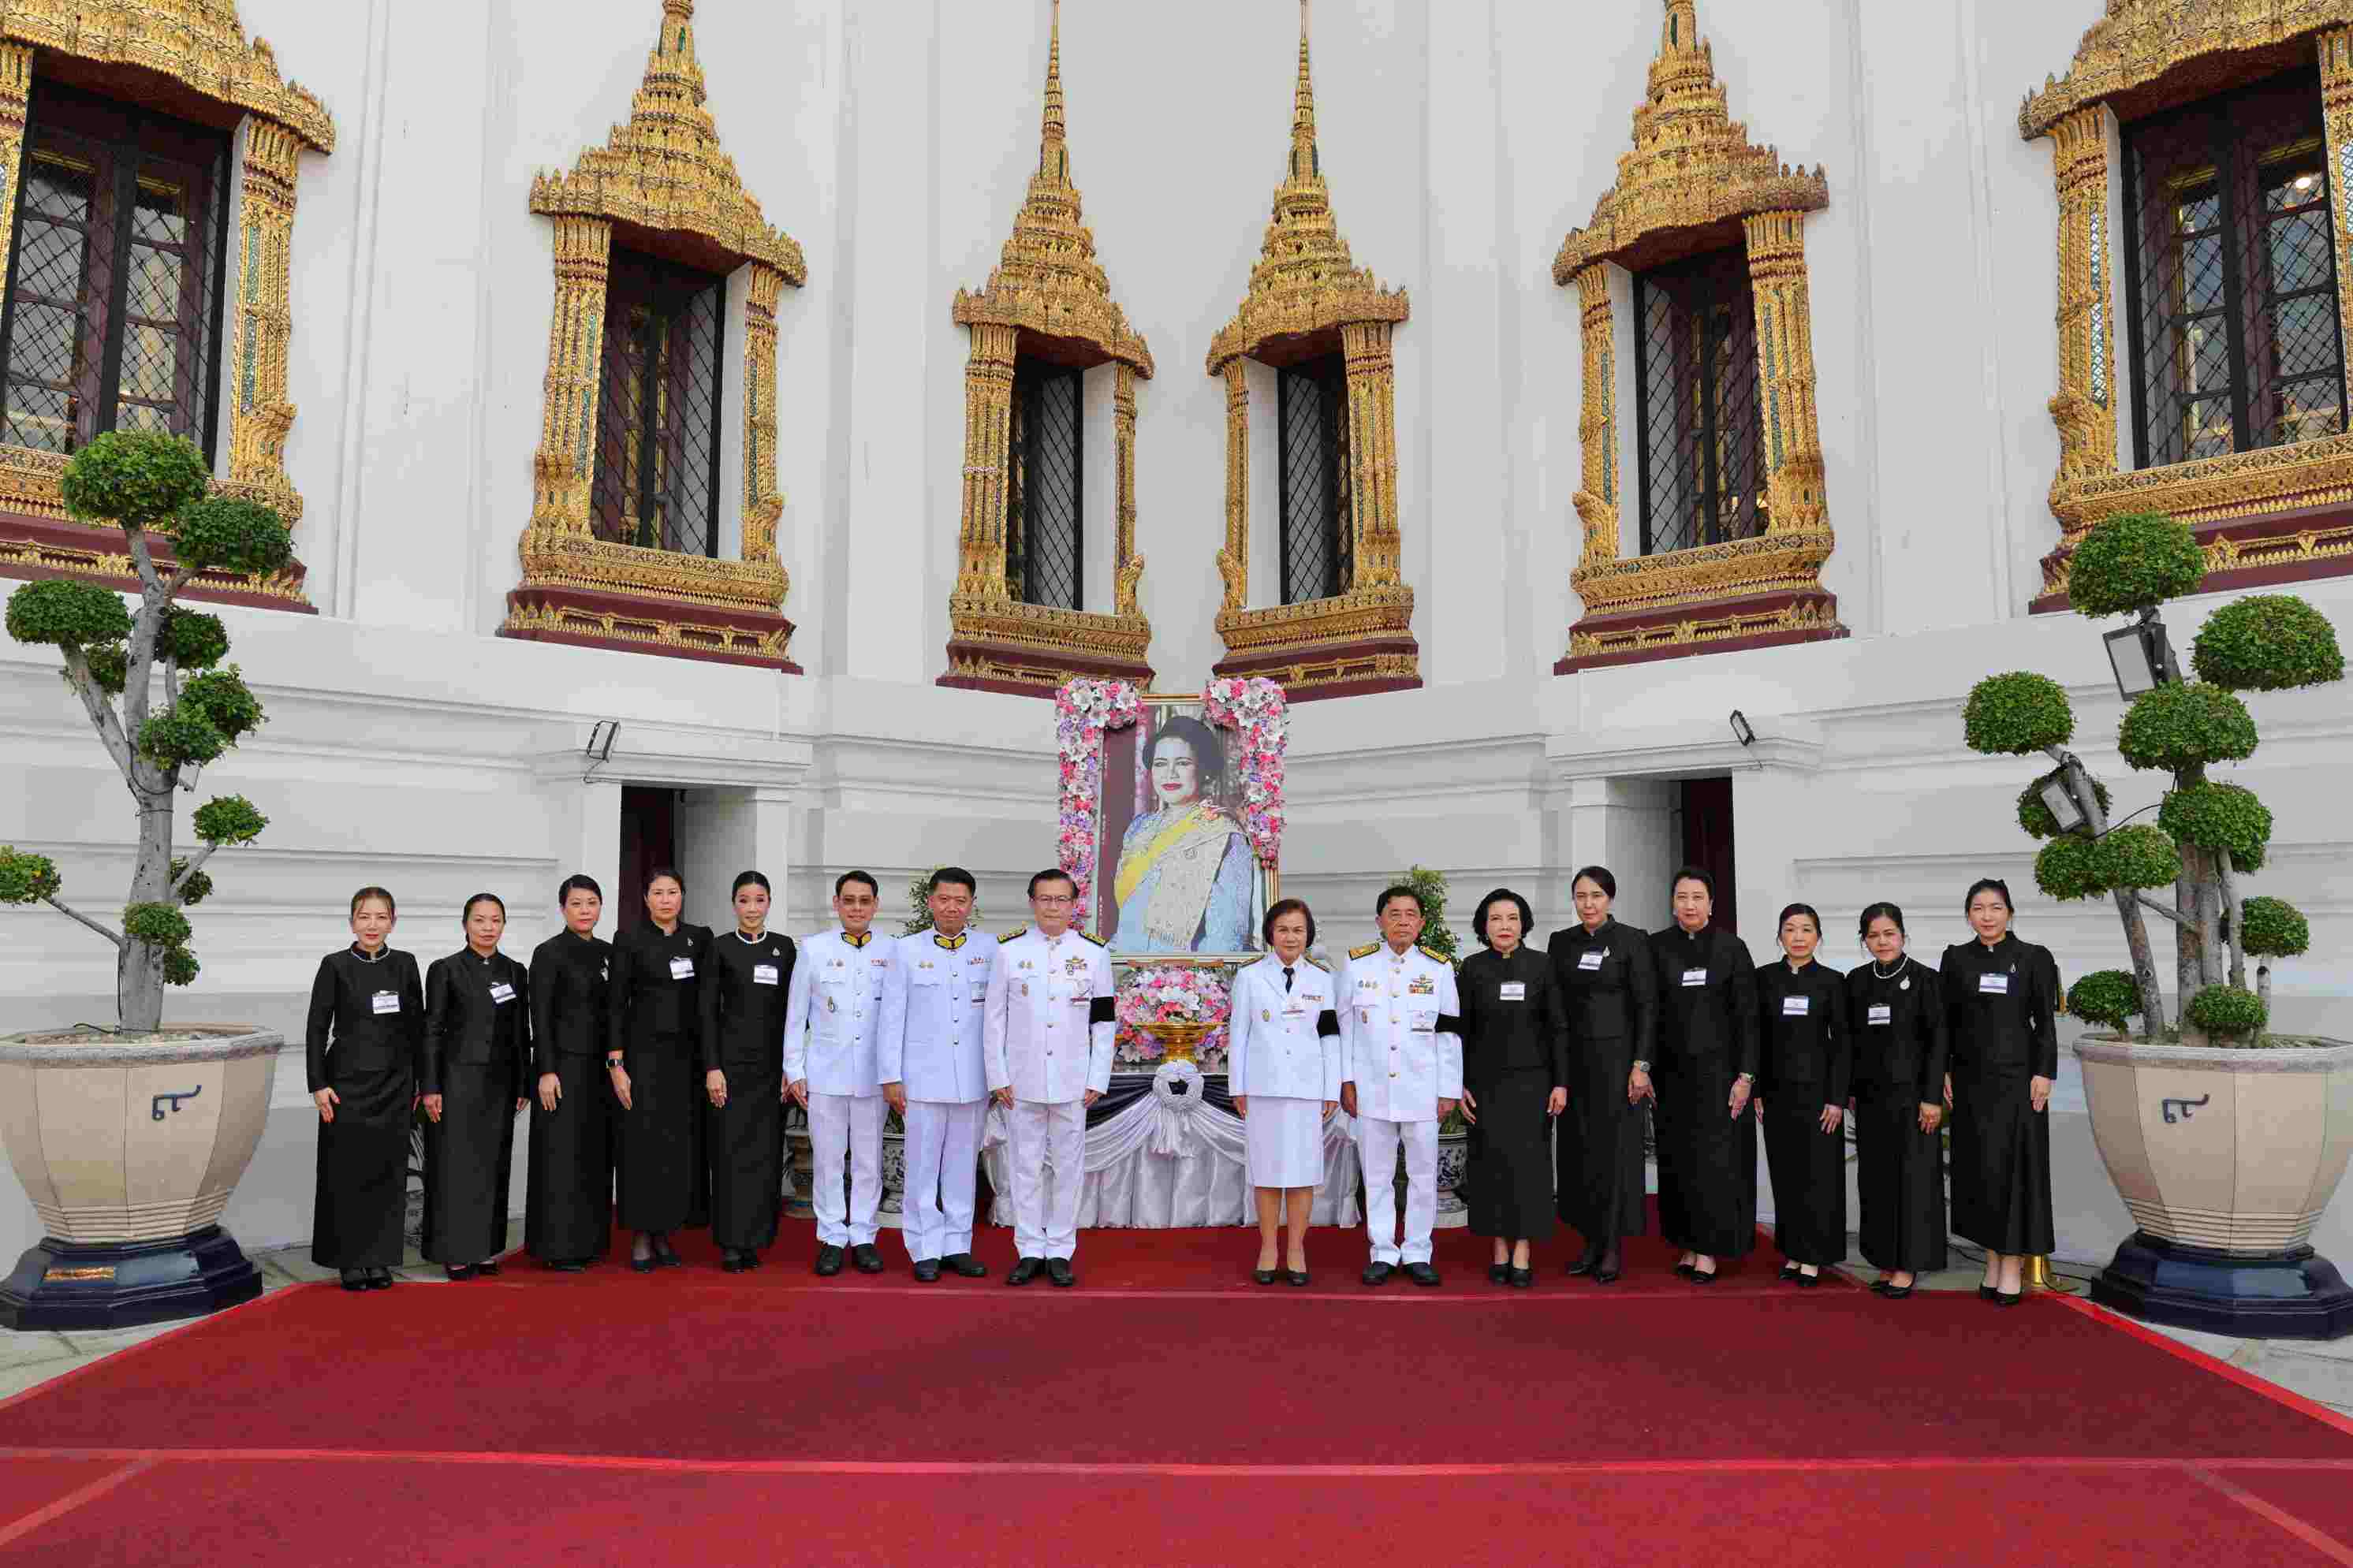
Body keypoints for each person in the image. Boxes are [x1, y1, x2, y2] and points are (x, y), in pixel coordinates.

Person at [985, 868, 1115, 1287]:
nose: (1053, 907)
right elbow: (994, 1020)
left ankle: (1060, 1248)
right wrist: (997, 1074)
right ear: (1032, 902)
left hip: (1073, 1080)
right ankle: (1028, 1249)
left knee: (1067, 1167)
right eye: (1045, 899)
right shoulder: (1009, 952)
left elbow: (1104, 1022)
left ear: (1073, 905)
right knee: (1023, 1166)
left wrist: (1098, 1075)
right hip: (1021, 1080)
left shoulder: (1094, 953)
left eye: (1061, 900)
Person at [1942, 878, 2061, 1307]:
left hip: (2019, 1083)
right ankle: (1991, 1261)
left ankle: (2012, 1268)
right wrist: (1944, 1071)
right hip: (1972, 1084)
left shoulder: (2033, 958)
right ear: (1968, 914)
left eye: (1995, 907)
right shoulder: (1955, 959)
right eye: (1978, 908)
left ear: (2010, 912)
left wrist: (2044, 1072)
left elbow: (2045, 1022)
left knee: (2014, 1174)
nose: (1987, 916)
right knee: (1982, 1175)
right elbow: (1946, 1024)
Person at [878, 867, 998, 1282]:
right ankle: (925, 1247)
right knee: (923, 1166)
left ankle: (958, 1244)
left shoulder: (990, 949)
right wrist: (890, 1076)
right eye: (944, 899)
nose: (952, 907)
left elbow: (998, 1018)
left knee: (964, 1167)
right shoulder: (906, 950)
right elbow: (891, 1019)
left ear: (971, 905)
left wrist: (999, 1074)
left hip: (973, 1079)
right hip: (923, 1080)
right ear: (930, 902)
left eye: (960, 900)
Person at [1340, 885, 1462, 1288]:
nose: (1403, 921)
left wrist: (1448, 1088)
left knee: (1424, 1174)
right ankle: (1382, 1251)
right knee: (1376, 1175)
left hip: (1422, 1089)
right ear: (1380, 921)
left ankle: (1417, 1250)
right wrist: (1347, 1081)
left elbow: (1448, 1034)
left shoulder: (1438, 968)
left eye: (1411, 914)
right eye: (1394, 914)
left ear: (1422, 923)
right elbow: (1345, 1030)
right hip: (1372, 1089)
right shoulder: (1357, 966)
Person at [306, 886, 424, 1292]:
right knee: (347, 1174)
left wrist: (419, 1083)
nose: (372, 925)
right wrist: (318, 1084)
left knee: (387, 1175)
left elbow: (417, 1029)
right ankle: (350, 1261)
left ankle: (379, 1259)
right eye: (364, 917)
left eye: (381, 917)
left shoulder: (406, 965)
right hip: (345, 1087)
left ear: (393, 921)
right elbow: (317, 1029)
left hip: (394, 1085)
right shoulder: (334, 966)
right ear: (352, 921)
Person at [1650, 867, 1758, 1284]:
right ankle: (1688, 1243)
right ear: (1672, 902)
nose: (1689, 905)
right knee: (1679, 1163)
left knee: (1715, 1164)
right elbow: (1649, 1012)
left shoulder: (1732, 949)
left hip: (1720, 1078)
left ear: (1712, 904)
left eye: (1698, 897)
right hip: (1673, 1077)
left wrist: (1747, 1075)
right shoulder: (1657, 947)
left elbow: (1749, 1018)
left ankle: (1711, 1249)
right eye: (1681, 897)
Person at [1548, 866, 1654, 1283]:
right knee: (1579, 1156)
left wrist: (1641, 1065)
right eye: (1580, 896)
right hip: (1575, 1066)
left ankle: (1612, 1244)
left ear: (1610, 898)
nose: (1588, 904)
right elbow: (1554, 1008)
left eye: (1596, 895)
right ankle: (1589, 1239)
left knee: (1616, 1156)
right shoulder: (1561, 942)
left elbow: (1647, 1007)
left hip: (1619, 1066)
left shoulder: (1632, 941)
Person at [1228, 898, 1343, 1287]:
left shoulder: (1324, 980)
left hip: (1307, 1089)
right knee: (1266, 1171)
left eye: (1298, 929)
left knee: (1302, 1172)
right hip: (1262, 1088)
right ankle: (1268, 1248)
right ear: (1270, 935)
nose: (1291, 937)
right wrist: (1237, 1086)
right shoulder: (1250, 977)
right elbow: (1238, 1036)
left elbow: (1330, 1038)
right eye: (1282, 929)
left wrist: (1332, 1088)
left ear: (1309, 934)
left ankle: (1296, 1249)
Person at [784, 870, 892, 1277]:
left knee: (868, 1160)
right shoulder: (813, 949)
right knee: (828, 1159)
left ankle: (863, 1235)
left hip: (873, 1076)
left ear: (876, 906)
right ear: (837, 904)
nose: (857, 908)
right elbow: (796, 1017)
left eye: (865, 901)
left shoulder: (891, 950)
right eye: (849, 900)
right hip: (825, 1073)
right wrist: (794, 1068)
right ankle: (831, 1236)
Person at [420, 893, 531, 1281]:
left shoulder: (516, 971)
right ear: (465, 924)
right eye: (480, 920)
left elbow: (520, 1033)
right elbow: (431, 1030)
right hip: (455, 1082)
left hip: (500, 1084)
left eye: (495, 920)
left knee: (493, 1166)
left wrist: (523, 1082)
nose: (488, 927)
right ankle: (455, 1251)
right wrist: (430, 1086)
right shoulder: (445, 970)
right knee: (456, 1167)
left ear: (504, 924)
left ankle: (484, 1248)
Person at [1461, 888, 1567, 1288]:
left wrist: (1561, 1082)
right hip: (1485, 1086)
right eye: (1495, 919)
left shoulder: (1542, 966)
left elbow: (1558, 1027)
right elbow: (1462, 1033)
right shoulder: (1471, 969)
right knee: (1490, 1166)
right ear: (1483, 926)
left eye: (1512, 919)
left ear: (1523, 924)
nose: (1504, 927)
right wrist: (1461, 1084)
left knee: (1529, 1168)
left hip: (1533, 1084)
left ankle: (1522, 1247)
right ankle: (1499, 1248)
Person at [606, 868, 710, 1273]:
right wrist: (616, 1063)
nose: (666, 900)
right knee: (641, 1145)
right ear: (645, 898)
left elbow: (705, 1002)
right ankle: (640, 1234)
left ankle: (666, 1229)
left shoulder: (698, 940)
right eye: (657, 893)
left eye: (673, 892)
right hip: (641, 1059)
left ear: (682, 896)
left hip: (684, 1061)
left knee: (675, 1145)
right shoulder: (629, 940)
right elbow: (615, 1003)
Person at [1845, 902, 1948, 1298]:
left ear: (1903, 936)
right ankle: (1886, 1260)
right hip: (1871, 1102)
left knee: (1912, 1182)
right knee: (1877, 1182)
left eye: (1889, 934)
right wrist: (1850, 1090)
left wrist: (1932, 1097)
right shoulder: (1856, 981)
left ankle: (1908, 1264)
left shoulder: (1926, 981)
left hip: (1914, 1101)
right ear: (1864, 941)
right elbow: (1849, 1043)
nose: (1882, 941)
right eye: (1873, 935)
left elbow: (1938, 1043)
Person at [698, 871, 795, 1273]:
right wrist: (713, 1068)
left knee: (765, 1155)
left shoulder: (784, 949)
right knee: (730, 1154)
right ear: (733, 904)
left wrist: (793, 1068)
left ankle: (756, 1239)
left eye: (759, 900)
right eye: (744, 900)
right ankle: (731, 1243)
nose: (752, 908)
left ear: (769, 903)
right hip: (730, 1071)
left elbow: (797, 1013)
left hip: (772, 1072)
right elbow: (706, 1013)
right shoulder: (718, 949)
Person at [1753, 903, 1851, 1287]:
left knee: (1818, 1177)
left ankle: (1814, 1255)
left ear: (1818, 937)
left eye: (1806, 929)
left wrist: (1837, 1099)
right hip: (1777, 1095)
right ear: (1779, 936)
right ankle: (1793, 1251)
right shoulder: (1765, 979)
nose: (1798, 937)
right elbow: (1756, 1039)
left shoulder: (1832, 981)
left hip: (1819, 1098)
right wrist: (1758, 1089)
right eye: (1790, 929)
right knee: (1787, 1175)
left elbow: (1843, 1045)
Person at [1110, 715, 1255, 953]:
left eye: (1183, 763)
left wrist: (1186, 982)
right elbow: (1127, 921)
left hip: (1184, 979)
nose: (1170, 774)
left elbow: (1226, 940)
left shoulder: (1223, 833)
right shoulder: (1138, 828)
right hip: (1126, 971)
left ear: (1204, 769)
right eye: (1160, 764)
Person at [526, 874, 612, 1272]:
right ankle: (557, 1246)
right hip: (561, 1071)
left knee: (593, 1156)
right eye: (576, 903)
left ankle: (590, 1240)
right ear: (563, 908)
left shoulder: (610, 953)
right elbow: (539, 1017)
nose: (584, 910)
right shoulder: (549, 953)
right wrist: (546, 1070)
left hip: (600, 1072)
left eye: (591, 903)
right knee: (561, 1157)